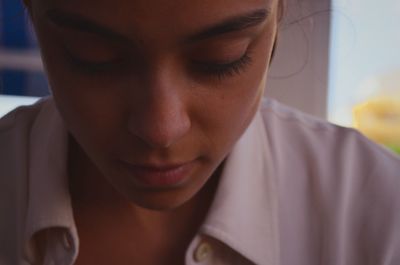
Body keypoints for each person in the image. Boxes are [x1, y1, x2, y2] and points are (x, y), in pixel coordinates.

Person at [1, 0, 399, 264]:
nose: (161, 130)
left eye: (220, 58)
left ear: (279, 13)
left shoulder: (381, 217)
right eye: (94, 56)